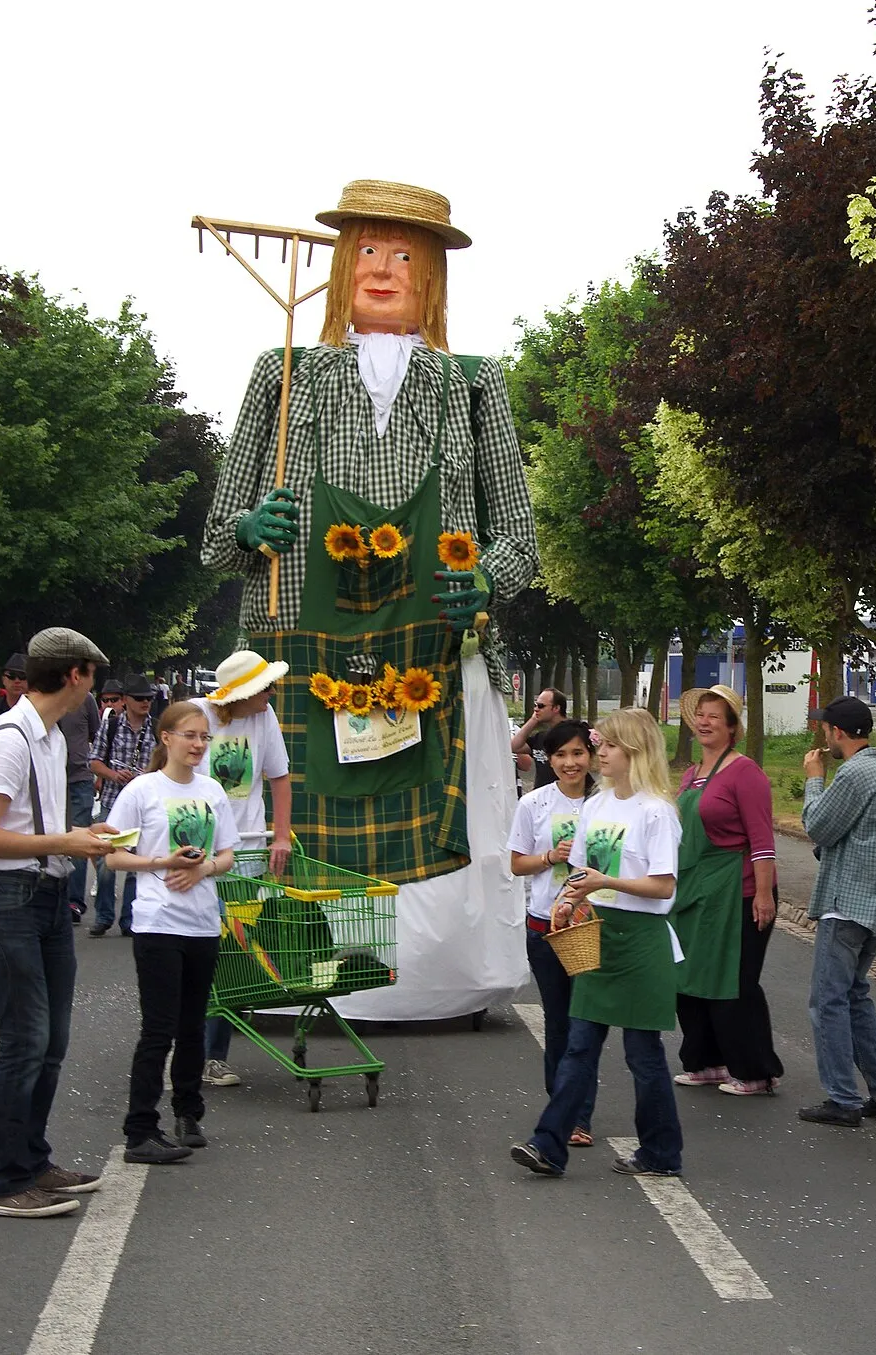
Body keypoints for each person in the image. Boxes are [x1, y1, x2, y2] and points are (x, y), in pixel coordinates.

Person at [201, 179, 537, 1023]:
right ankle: (293, 977)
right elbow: (216, 539)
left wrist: (487, 577)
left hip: (438, 651)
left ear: (432, 277)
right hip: (298, 641)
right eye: (370, 252)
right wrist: (251, 526)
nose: (384, 270)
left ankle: (431, 985)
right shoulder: (283, 374)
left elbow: (521, 541)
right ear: (343, 264)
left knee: (437, 812)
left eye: (405, 255)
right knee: (295, 816)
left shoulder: (472, 383)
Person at [0, 626, 117, 1218]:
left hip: (45, 897)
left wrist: (81, 839)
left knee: (51, 1041)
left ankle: (32, 1161)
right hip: (7, 897)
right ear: (74, 675)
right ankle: (3, 1183)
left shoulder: (49, 737)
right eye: (92, 676)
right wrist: (64, 843)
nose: (94, 688)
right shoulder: (11, 738)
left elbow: (40, 827)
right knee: (24, 1042)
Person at [511, 707, 683, 1179]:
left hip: (642, 941)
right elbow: (579, 873)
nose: (598, 753)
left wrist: (607, 881)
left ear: (633, 750)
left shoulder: (657, 811)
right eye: (599, 744)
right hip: (598, 934)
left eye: (606, 745)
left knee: (643, 1055)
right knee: (579, 1046)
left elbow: (663, 886)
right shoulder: (597, 805)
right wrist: (568, 902)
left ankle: (661, 1153)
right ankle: (548, 1145)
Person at [103, 700, 240, 1163]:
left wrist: (204, 873)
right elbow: (114, 856)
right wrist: (162, 862)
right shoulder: (142, 791)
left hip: (203, 924)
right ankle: (140, 1130)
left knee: (192, 1027)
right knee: (158, 1029)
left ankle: (188, 1113)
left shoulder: (213, 792)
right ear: (167, 738)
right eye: (190, 736)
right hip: (158, 922)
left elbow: (226, 856)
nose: (199, 745)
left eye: (204, 737)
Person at [796, 695, 876, 1128]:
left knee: (827, 1001)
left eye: (825, 728)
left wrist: (814, 780)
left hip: (843, 904)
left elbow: (818, 826)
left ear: (839, 733)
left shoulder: (852, 774)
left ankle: (842, 1098)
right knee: (854, 996)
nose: (823, 736)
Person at [670, 685, 783, 1097]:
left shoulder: (745, 773)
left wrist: (765, 896)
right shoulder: (691, 774)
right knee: (691, 976)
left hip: (739, 892)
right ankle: (707, 1061)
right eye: (700, 714)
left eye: (715, 716)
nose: (704, 722)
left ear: (732, 728)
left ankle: (756, 1070)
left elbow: (763, 840)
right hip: (696, 891)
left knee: (735, 983)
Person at [188, 650, 291, 1086]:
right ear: (243, 692)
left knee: (232, 953)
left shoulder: (264, 717)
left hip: (244, 852)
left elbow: (280, 777)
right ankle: (187, 1044)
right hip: (193, 850)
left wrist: (281, 835)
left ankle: (213, 1055)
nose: (271, 694)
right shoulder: (196, 717)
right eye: (265, 688)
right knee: (194, 952)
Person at [506, 717, 597, 1146]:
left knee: (587, 1022)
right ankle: (563, 1111)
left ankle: (581, 1115)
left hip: (592, 926)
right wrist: (549, 857)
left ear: (591, 755)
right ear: (550, 759)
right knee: (559, 1022)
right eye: (561, 755)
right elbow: (517, 863)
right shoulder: (535, 804)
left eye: (578, 753)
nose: (570, 763)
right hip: (545, 924)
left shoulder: (608, 802)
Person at [87, 678, 156, 937]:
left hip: (144, 806)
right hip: (112, 801)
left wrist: (147, 776)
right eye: (140, 698)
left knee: (136, 864)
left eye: (148, 698)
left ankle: (129, 919)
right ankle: (104, 916)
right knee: (106, 861)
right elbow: (93, 762)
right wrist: (114, 775)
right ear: (126, 700)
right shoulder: (112, 726)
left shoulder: (157, 728)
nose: (146, 702)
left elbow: (165, 767)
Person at [55, 681, 103, 922]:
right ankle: (54, 899)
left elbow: (97, 734)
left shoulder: (86, 700)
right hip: (52, 779)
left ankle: (74, 901)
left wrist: (98, 774)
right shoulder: (50, 697)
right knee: (52, 836)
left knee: (80, 838)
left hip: (80, 778)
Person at [511, 687, 566, 789]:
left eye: (541, 706)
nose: (536, 709)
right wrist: (533, 720)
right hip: (541, 799)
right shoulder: (541, 737)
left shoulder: (574, 734)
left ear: (556, 708)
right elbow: (514, 747)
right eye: (535, 705)